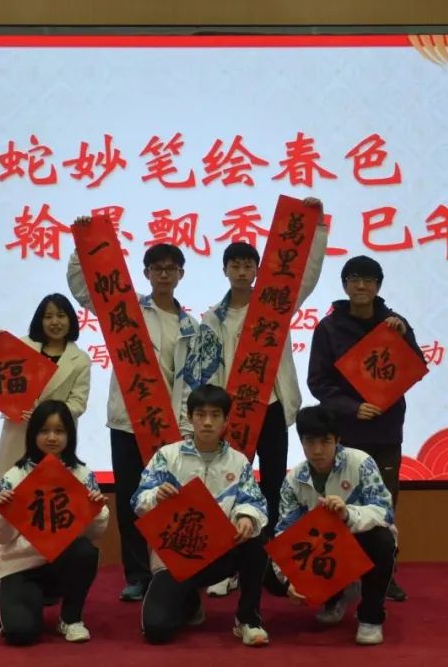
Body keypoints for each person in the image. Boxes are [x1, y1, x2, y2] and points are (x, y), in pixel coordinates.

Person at [192, 196, 327, 597]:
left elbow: (306, 276)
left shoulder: (276, 304)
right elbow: (208, 370)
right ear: (225, 270)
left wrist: (317, 228)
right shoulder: (211, 318)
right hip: (232, 415)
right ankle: (228, 566)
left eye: (248, 265)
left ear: (256, 270)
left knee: (270, 487)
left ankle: (267, 563)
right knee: (230, 487)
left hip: (270, 409)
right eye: (235, 265)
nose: (242, 271)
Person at [67, 229, 199, 602]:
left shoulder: (192, 327)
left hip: (171, 428)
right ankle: (137, 574)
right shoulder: (127, 310)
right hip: (128, 423)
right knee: (131, 499)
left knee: (170, 500)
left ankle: (171, 569)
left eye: (170, 269)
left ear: (181, 274)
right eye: (157, 269)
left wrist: (187, 427)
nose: (163, 275)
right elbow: (84, 292)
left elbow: (193, 379)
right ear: (145, 273)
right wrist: (81, 247)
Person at [306, 255, 421, 602]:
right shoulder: (328, 328)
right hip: (345, 434)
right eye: (354, 279)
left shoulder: (394, 324)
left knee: (383, 503)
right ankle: (340, 577)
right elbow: (318, 382)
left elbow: (415, 367)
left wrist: (404, 340)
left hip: (385, 432)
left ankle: (385, 575)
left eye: (369, 280)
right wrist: (352, 407)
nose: (361, 286)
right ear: (344, 285)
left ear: (378, 286)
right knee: (339, 504)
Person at [133, 385, 271, 647]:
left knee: (256, 539)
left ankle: (248, 619)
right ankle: (190, 601)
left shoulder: (239, 461)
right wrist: (155, 497)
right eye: (200, 414)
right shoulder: (167, 456)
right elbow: (138, 500)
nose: (207, 422)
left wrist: (246, 516)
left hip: (222, 553)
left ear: (226, 420)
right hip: (177, 556)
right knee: (156, 631)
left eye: (215, 415)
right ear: (189, 418)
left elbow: (254, 501)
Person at [268, 404, 396, 645]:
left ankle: (370, 617)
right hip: (321, 548)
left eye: (325, 441)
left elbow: (384, 511)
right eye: (310, 442)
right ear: (301, 442)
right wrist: (290, 578)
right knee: (271, 574)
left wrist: (348, 514)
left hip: (360, 540)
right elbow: (285, 532)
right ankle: (336, 597)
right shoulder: (293, 480)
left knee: (382, 539)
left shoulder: (361, 463)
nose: (317, 450)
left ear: (337, 440)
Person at [0, 400, 109, 645]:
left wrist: (96, 511)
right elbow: (1, 537)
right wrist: (2, 510)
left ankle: (71, 618)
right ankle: (21, 605)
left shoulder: (83, 475)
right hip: (21, 566)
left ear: (70, 435)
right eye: (44, 431)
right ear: (33, 435)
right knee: (20, 634)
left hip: (61, 564)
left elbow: (93, 534)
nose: (52, 438)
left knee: (85, 552)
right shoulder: (15, 476)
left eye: (59, 431)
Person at [0, 293, 91, 498]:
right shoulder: (23, 346)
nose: (55, 322)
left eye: (61, 315)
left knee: (48, 499)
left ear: (71, 319)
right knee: (10, 497)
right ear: (39, 320)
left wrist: (45, 416)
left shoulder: (80, 360)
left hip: (54, 436)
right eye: (48, 316)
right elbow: (1, 379)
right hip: (19, 429)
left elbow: (78, 403)